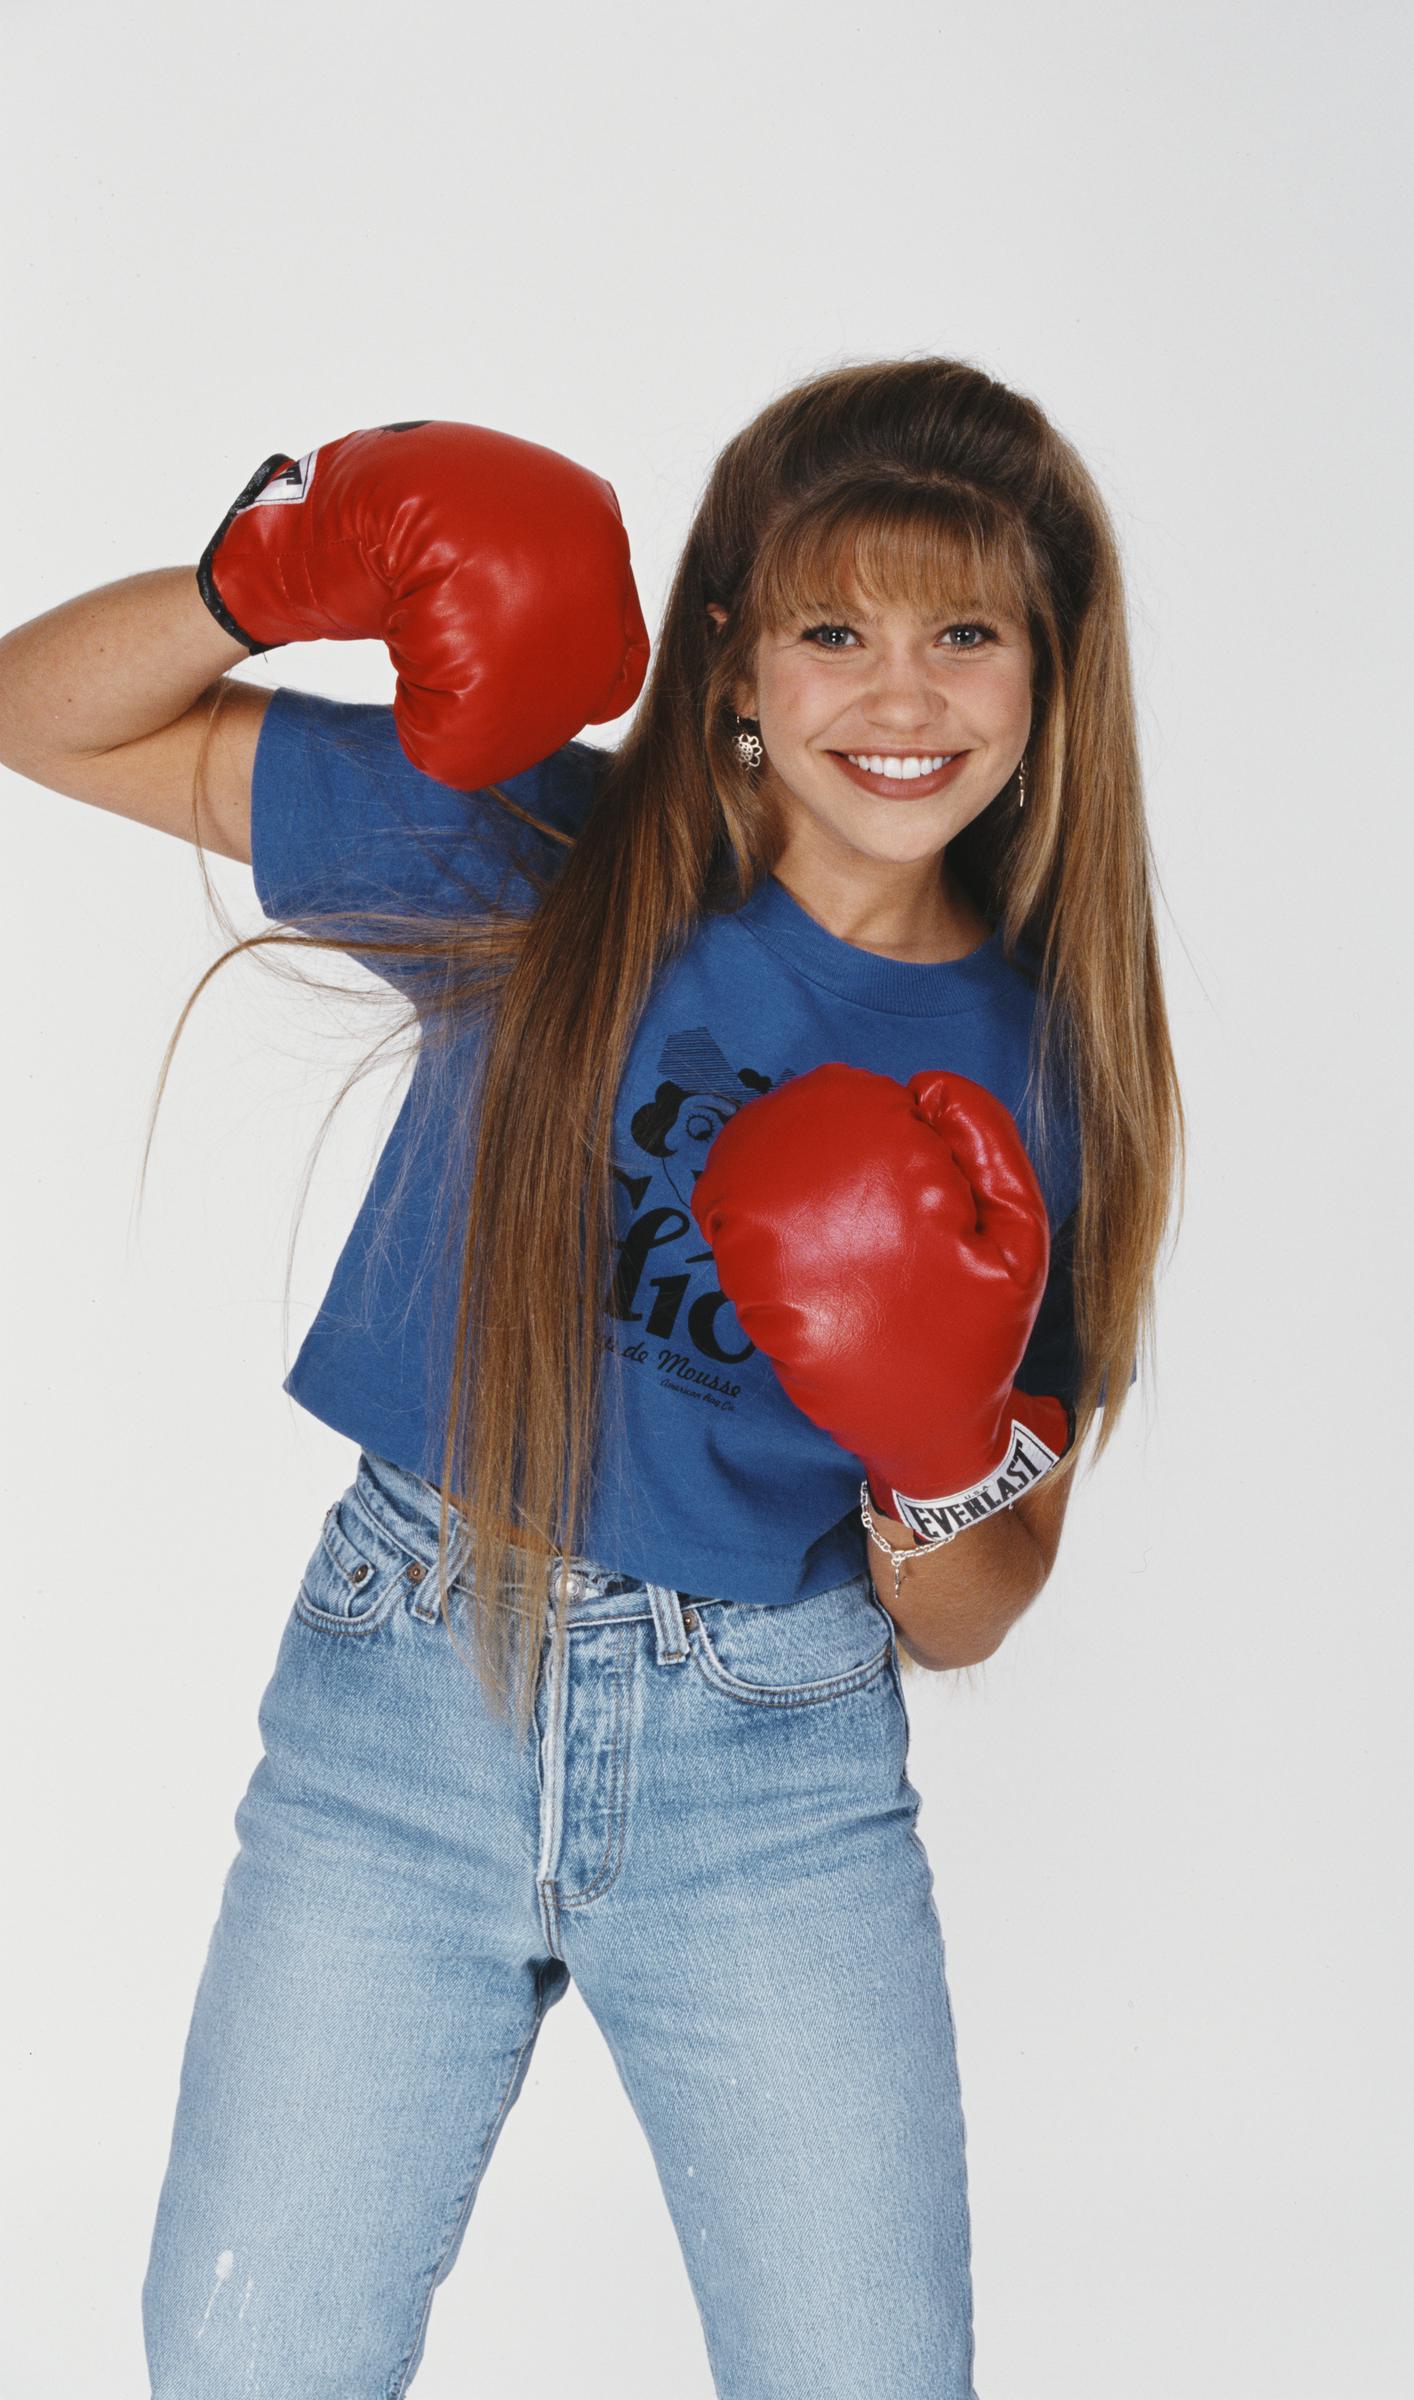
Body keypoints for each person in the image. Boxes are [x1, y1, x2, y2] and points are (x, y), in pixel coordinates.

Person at [0, 359, 1182, 2398]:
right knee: (242, 2369)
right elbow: (43, 709)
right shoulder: (545, 861)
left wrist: (936, 1447)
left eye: (962, 631)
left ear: (1048, 674)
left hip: (773, 1766)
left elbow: (973, 1610)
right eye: (834, 627)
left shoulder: (1047, 1077)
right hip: (408, 1693)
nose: (897, 697)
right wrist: (277, 566)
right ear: (728, 650)